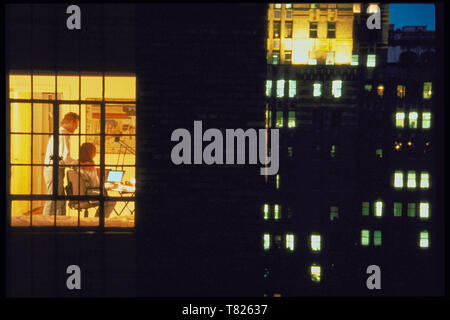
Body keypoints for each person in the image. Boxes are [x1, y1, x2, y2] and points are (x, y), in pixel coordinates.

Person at [43, 112, 79, 216]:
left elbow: (63, 157)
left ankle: (59, 223)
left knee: (60, 200)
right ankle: (45, 224)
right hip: (54, 170)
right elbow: (65, 158)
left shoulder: (60, 133)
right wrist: (78, 163)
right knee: (53, 199)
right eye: (77, 124)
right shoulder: (63, 135)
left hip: (53, 170)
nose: (76, 128)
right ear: (72, 122)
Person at [78, 142, 116, 218]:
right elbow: (95, 185)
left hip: (78, 196)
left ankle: (96, 219)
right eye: (94, 151)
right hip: (89, 195)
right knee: (111, 201)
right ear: (91, 153)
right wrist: (106, 186)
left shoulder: (76, 164)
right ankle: (98, 221)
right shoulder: (90, 166)